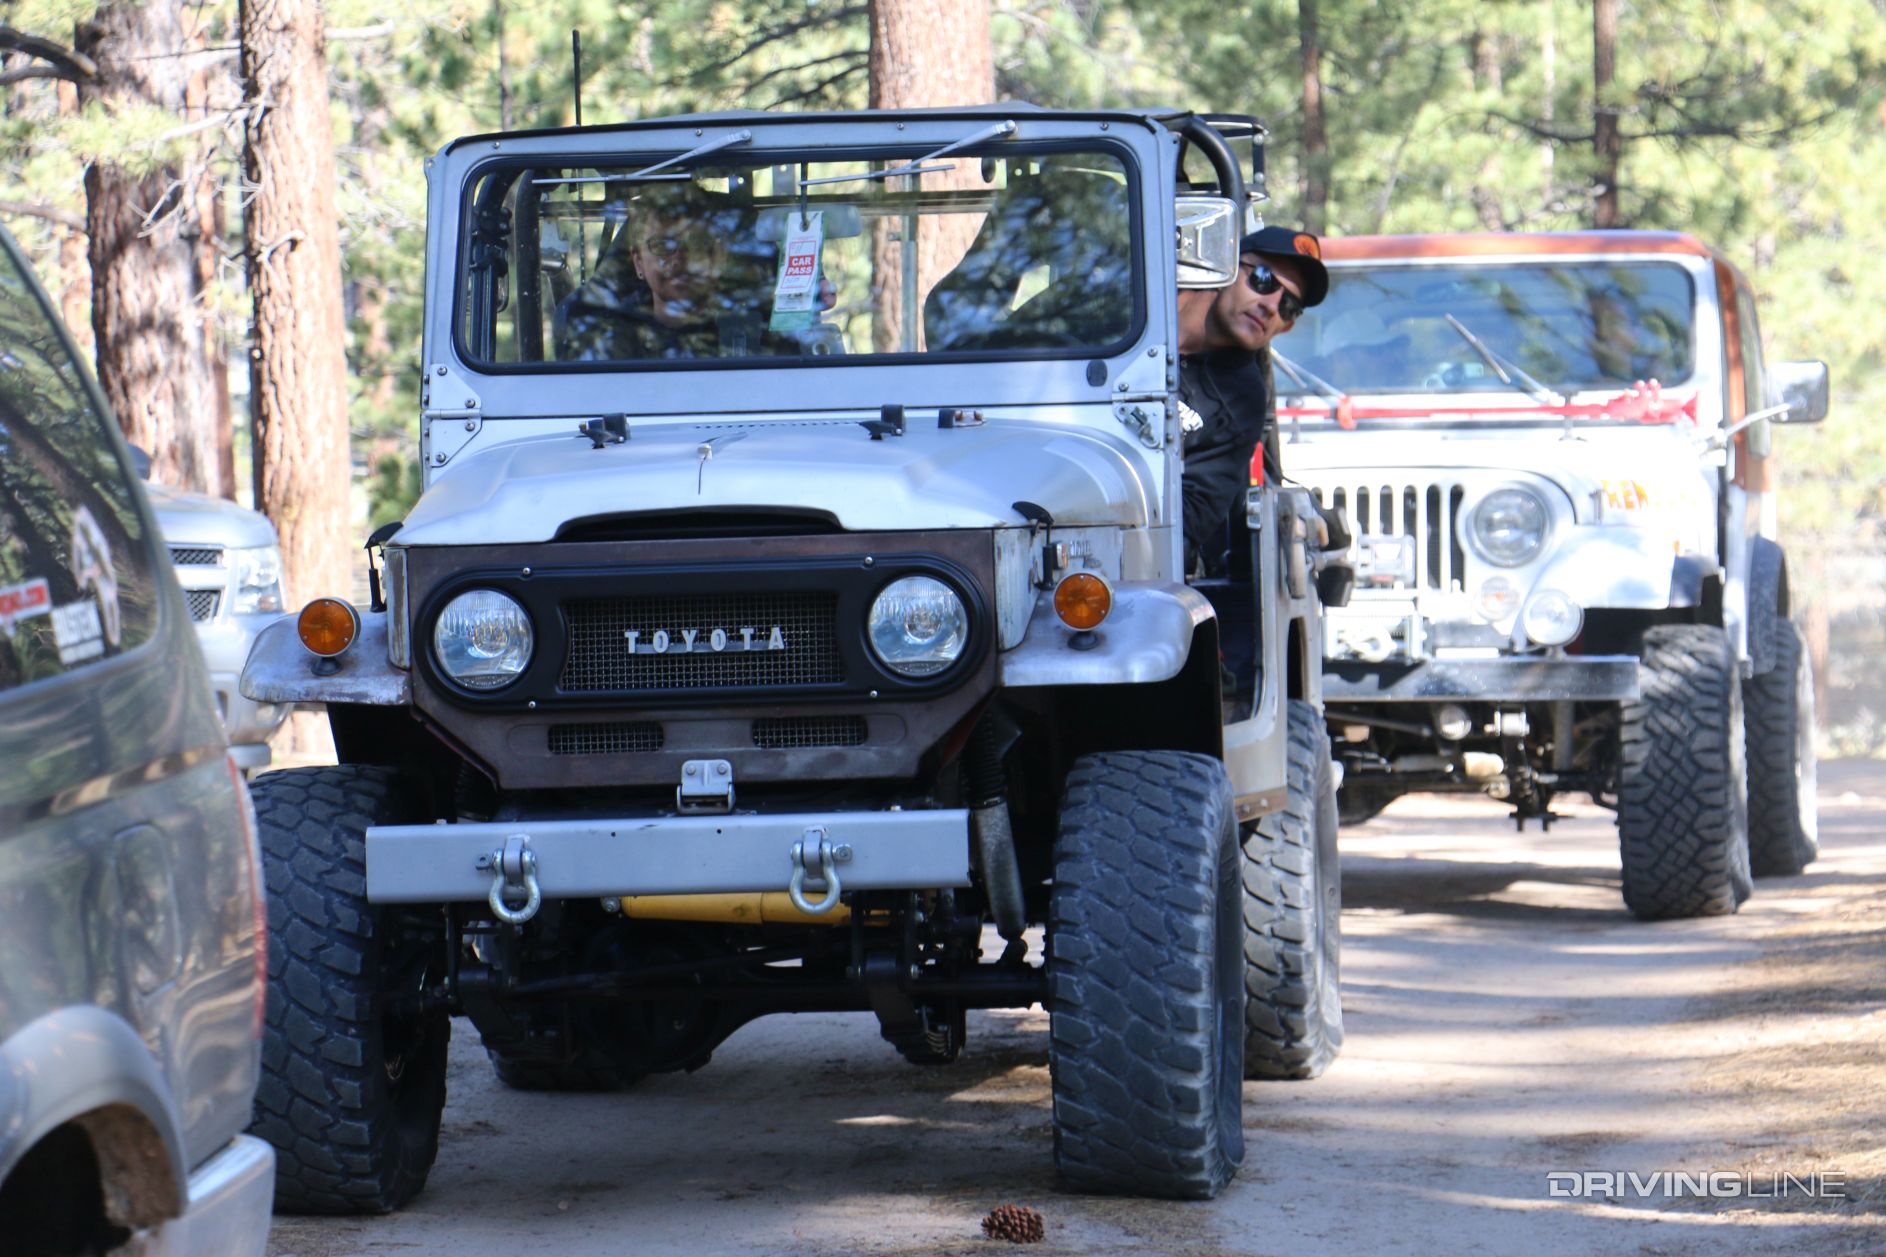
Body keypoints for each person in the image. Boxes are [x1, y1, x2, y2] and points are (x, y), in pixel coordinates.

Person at [1176, 225, 1328, 573]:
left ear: (1286, 326)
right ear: (1223, 269)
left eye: (1289, 305)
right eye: (1263, 279)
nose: (1271, 305)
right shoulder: (1132, 305)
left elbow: (1187, 521)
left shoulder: (1243, 403)